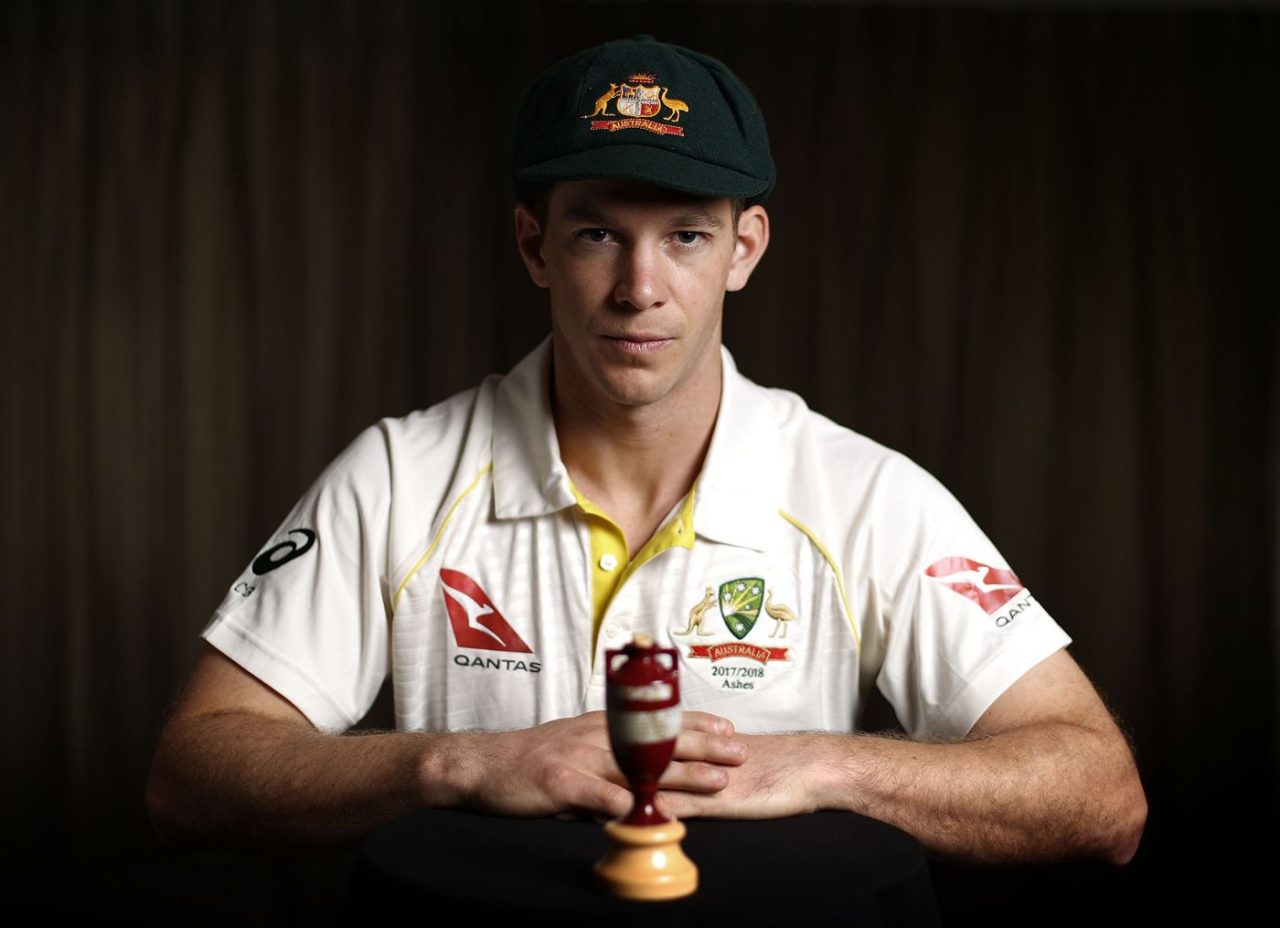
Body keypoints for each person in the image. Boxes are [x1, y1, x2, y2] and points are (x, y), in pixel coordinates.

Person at [147, 35, 1146, 865]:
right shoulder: (399, 475)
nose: (638, 288)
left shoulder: (863, 494)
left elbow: (1099, 793)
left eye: (683, 237)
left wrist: (825, 765)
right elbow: (193, 768)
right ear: (534, 243)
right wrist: (458, 763)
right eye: (595, 236)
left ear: (743, 248)